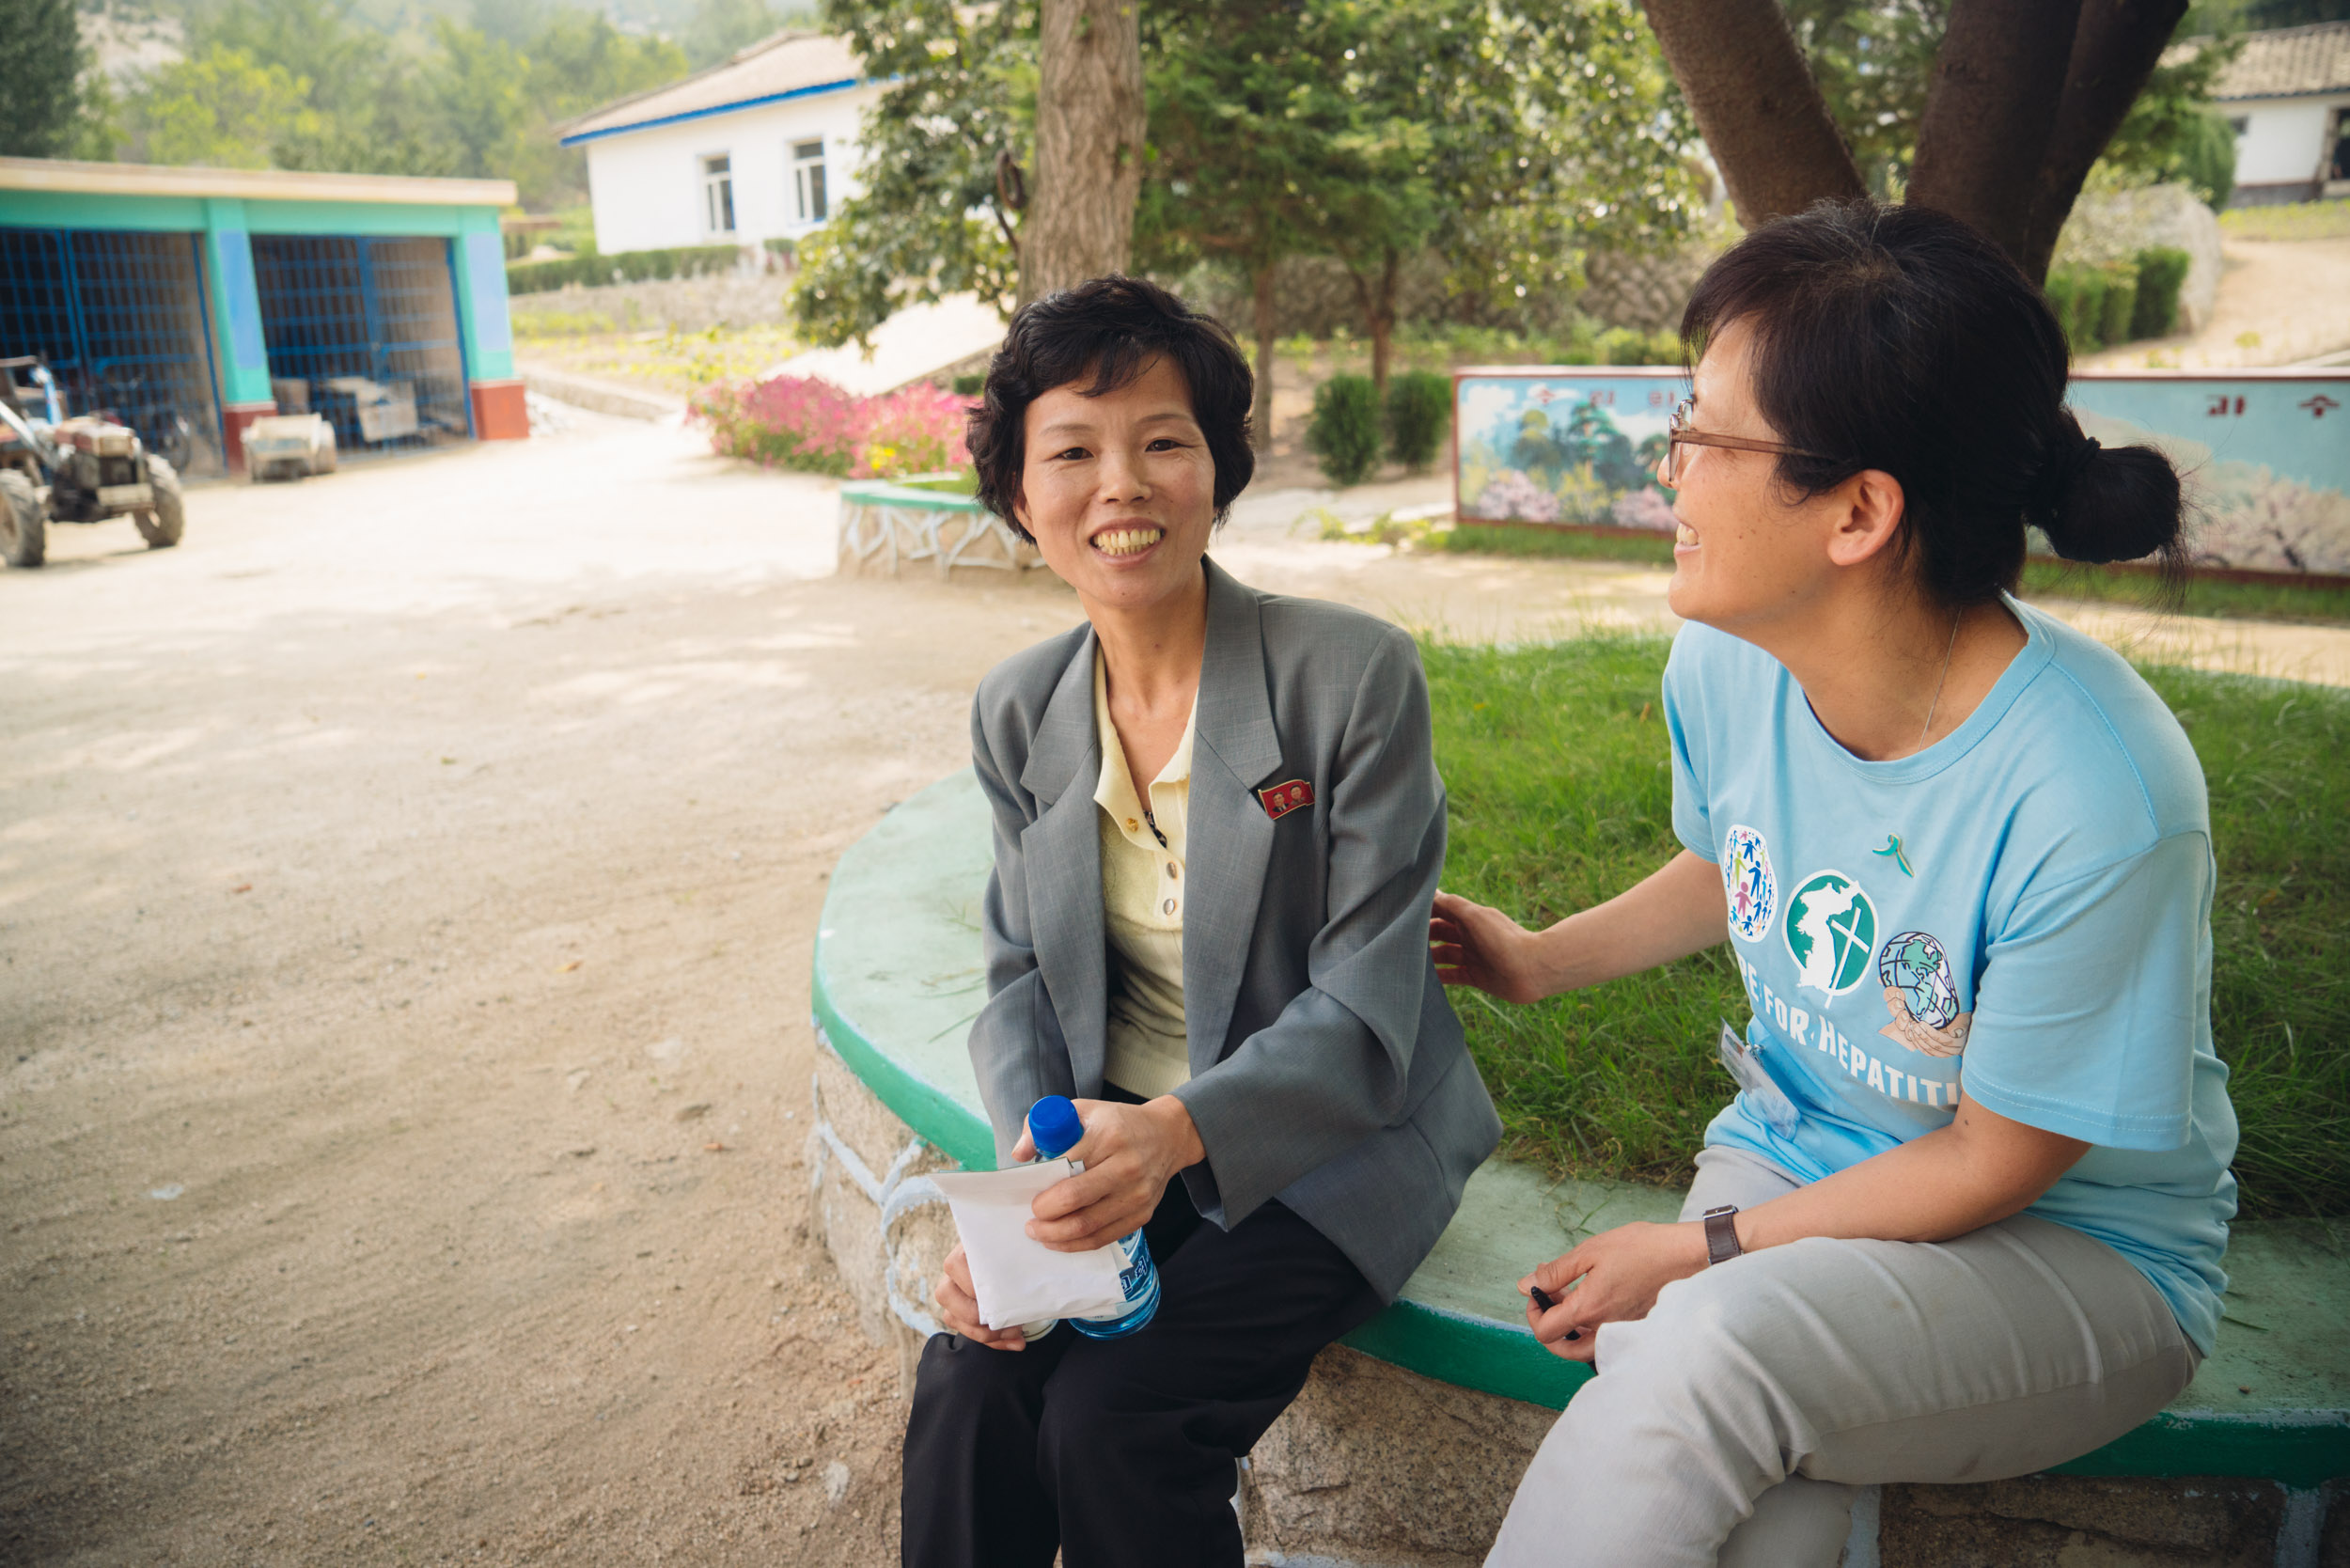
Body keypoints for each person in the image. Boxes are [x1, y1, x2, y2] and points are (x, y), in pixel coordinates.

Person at [1431, 201, 2238, 1568]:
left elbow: (1996, 1160)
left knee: (1711, 1345)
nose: (1667, 471)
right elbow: (1735, 863)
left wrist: (1696, 1253)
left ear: (1860, 511)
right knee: (1754, 1485)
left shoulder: (2099, 795)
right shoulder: (1730, 662)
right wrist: (1541, 956)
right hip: (1801, 1153)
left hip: (2079, 1260)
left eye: (1699, 435)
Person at [901, 275, 1500, 1568]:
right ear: (1020, 499)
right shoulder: (1019, 710)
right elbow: (1015, 981)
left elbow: (1366, 1007)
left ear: (1216, 471)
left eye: (1162, 442)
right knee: (968, 1384)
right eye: (1072, 451)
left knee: (1114, 1418)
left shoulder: (1351, 678)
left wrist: (1175, 1137)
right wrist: (1020, 1208)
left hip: (1337, 1140)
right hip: (1111, 1140)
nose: (1121, 485)